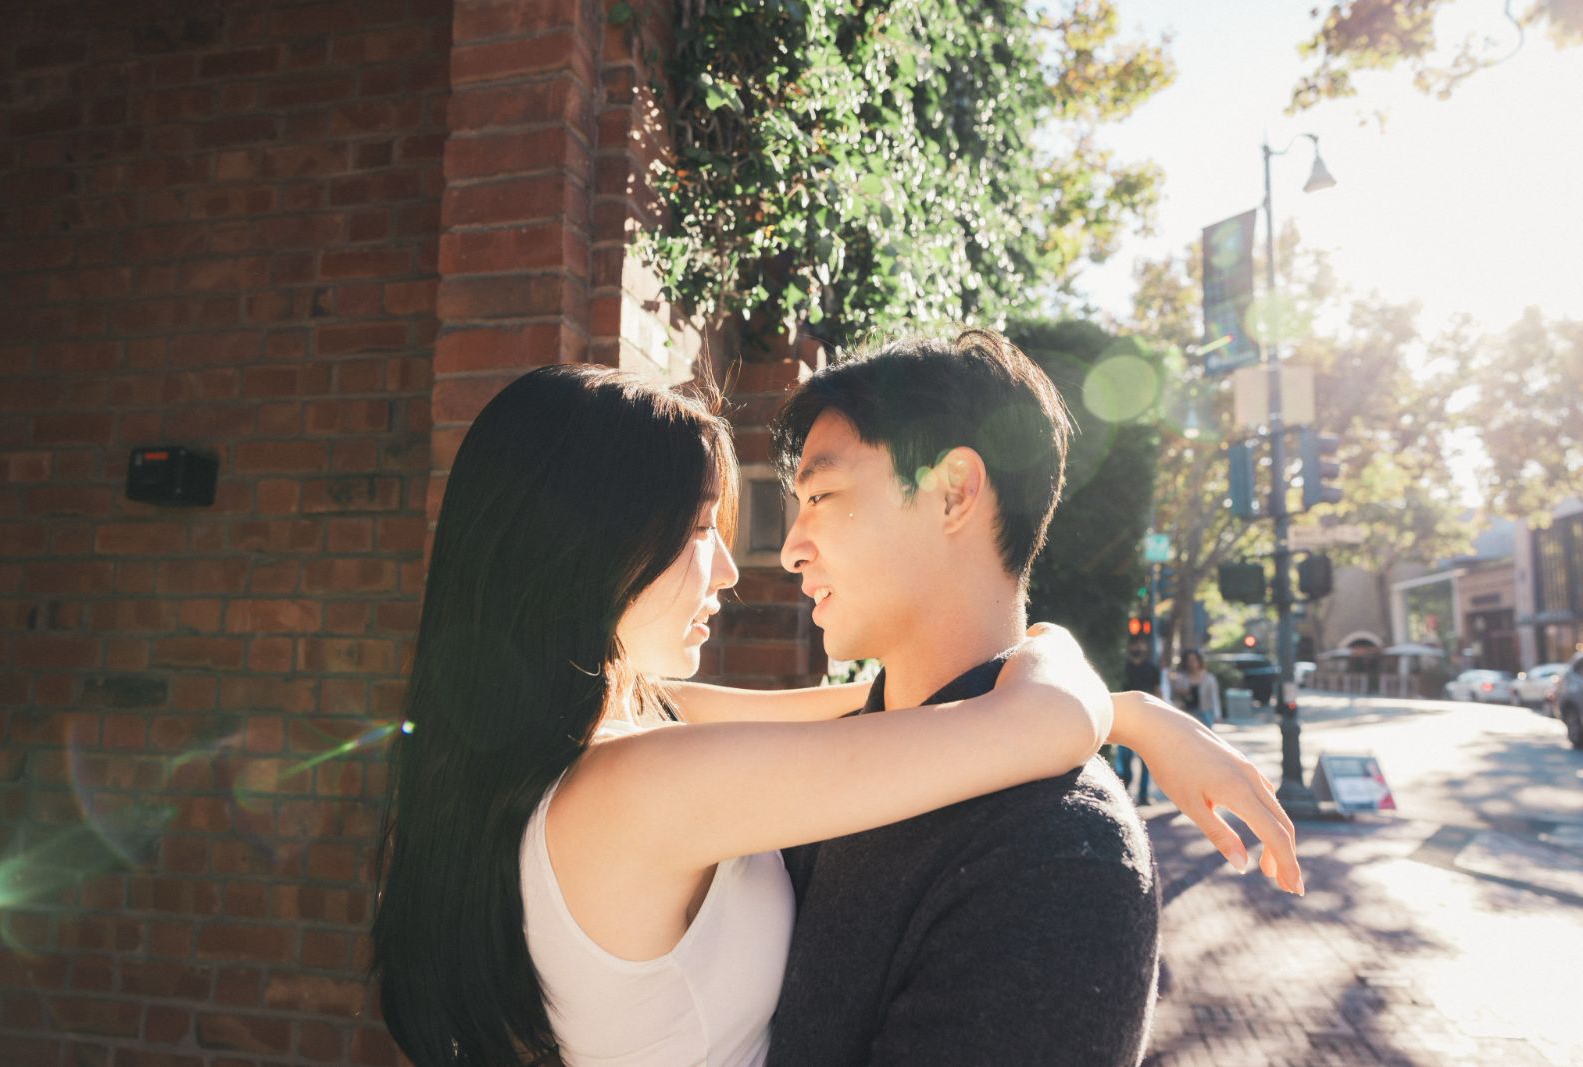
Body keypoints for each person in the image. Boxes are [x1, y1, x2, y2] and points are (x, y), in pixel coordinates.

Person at [370, 362, 1299, 1067]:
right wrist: (1090, 685)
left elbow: (875, 708)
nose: (741, 568)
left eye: (821, 498)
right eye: (700, 530)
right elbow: (1039, 717)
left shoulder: (616, 737)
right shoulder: (645, 785)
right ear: (583, 546)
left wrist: (1131, 711)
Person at [765, 330, 1298, 1066]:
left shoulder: (1064, 853)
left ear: (953, 491)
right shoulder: (804, 769)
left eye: (821, 494)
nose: (791, 547)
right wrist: (1124, 709)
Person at [1113, 634, 1161, 805]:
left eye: (1140, 644)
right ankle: (1124, 791)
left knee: (1146, 760)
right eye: (1134, 644)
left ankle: (1143, 794)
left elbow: (1157, 692)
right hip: (1124, 720)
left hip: (1146, 721)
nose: (1137, 648)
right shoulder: (1121, 668)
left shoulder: (1152, 668)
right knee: (1124, 760)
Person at [1172, 648, 1222, 728]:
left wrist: (1217, 714)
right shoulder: (1181, 678)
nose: (1191, 663)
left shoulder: (1209, 678)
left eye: (1194, 660)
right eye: (1188, 661)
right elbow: (1175, 695)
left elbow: (1214, 697)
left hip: (1205, 713)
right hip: (1187, 713)